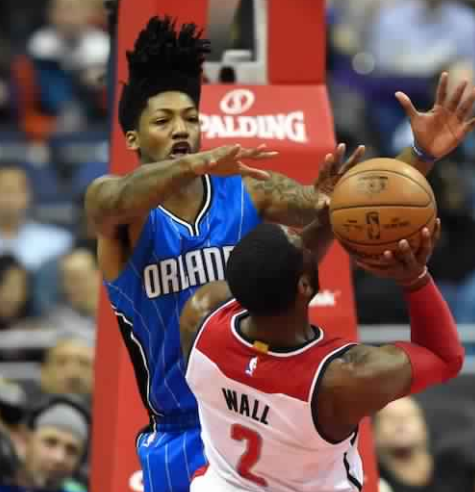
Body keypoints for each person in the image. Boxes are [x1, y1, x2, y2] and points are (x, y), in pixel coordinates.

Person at [85, 14, 475, 492]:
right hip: (180, 426)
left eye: (190, 118)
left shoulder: (249, 190)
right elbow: (114, 200)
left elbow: (352, 209)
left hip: (265, 401)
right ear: (132, 138)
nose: (181, 130)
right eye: (163, 122)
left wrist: (420, 154)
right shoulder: (118, 210)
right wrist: (193, 164)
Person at [182, 221, 464, 491]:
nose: (308, 243)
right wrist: (415, 278)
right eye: (302, 248)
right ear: (304, 286)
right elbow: (444, 357)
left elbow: (271, 272)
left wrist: (327, 221)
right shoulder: (341, 378)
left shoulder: (201, 317)